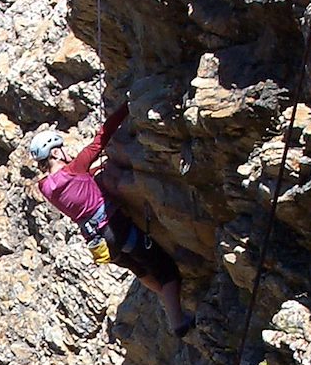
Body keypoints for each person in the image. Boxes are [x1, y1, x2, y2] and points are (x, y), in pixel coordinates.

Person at [29, 103, 195, 339]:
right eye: (61, 149)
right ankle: (177, 321)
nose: (66, 152)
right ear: (55, 153)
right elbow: (101, 139)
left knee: (140, 270)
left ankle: (169, 303)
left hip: (98, 243)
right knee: (167, 270)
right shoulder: (75, 169)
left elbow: (75, 187)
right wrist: (126, 107)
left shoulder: (44, 187)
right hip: (114, 227)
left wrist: (92, 170)